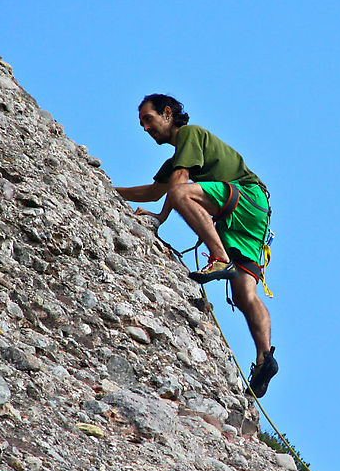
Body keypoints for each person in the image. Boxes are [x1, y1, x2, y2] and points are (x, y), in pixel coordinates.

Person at [115, 94, 278, 397]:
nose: (145, 128)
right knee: (244, 293)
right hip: (254, 213)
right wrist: (110, 189)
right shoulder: (178, 158)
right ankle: (264, 358)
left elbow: (177, 187)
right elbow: (154, 192)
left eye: (148, 120)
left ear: (167, 113)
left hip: (244, 197)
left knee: (182, 194)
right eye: (141, 124)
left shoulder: (189, 135)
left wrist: (160, 219)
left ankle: (219, 257)